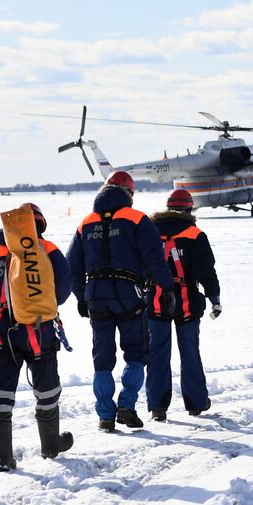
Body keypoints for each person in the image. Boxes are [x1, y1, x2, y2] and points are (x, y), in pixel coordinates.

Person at [68, 171, 176, 432]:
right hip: (129, 294)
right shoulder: (137, 219)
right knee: (136, 352)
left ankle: (105, 415)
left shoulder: (85, 224)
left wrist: (81, 296)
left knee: (102, 356)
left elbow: (71, 265)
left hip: (96, 294)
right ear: (129, 193)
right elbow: (154, 257)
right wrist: (167, 288)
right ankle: (127, 405)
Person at [0, 203, 74, 470]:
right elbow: (63, 290)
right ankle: (51, 446)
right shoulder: (48, 250)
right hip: (39, 332)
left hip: (0, 334)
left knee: (1, 392)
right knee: (47, 387)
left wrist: (3, 312)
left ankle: (3, 458)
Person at [146, 189, 221, 420]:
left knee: (157, 353)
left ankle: (157, 407)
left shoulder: (149, 232)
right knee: (189, 352)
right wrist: (214, 298)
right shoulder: (195, 234)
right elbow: (206, 271)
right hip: (187, 301)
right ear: (189, 209)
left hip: (156, 300)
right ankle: (196, 403)